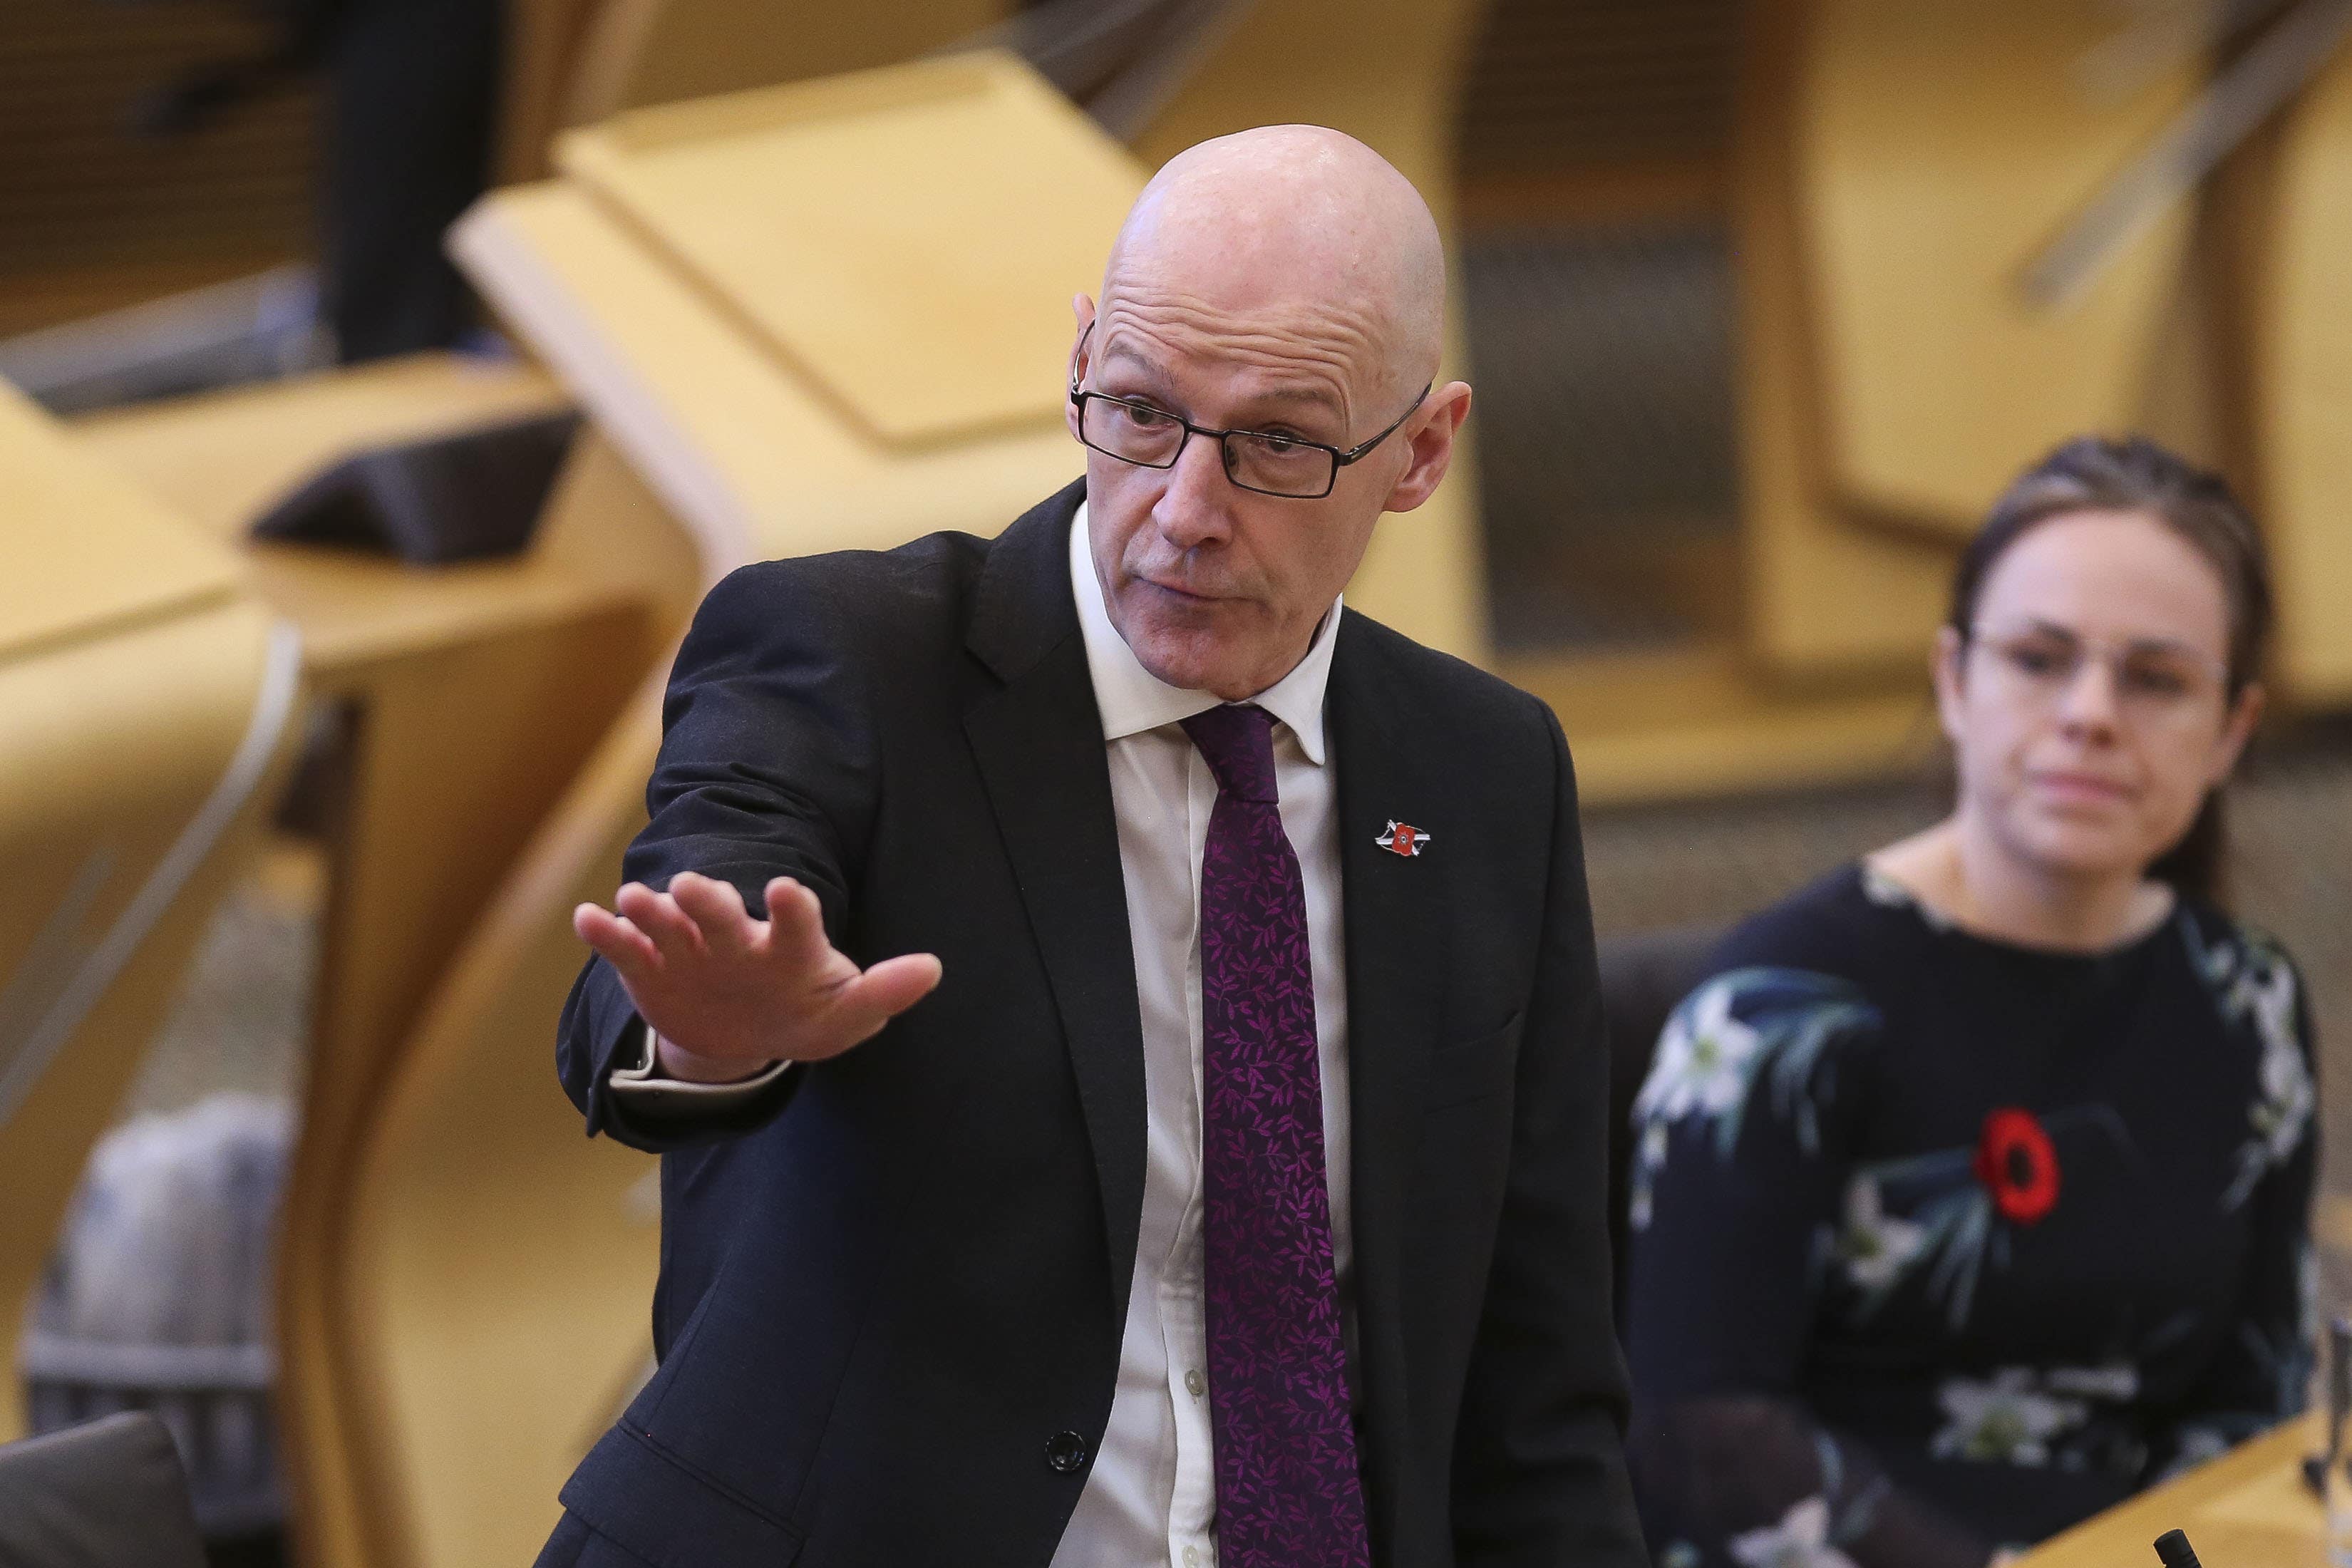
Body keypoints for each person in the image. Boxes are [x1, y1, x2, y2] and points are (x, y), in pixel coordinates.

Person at [542, 127, 1648, 1568]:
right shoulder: (850, 662)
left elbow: (1536, 1372)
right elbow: (701, 905)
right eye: (1138, 410)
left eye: (1279, 444)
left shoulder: (1485, 771)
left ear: (1421, 452)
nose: (1185, 511)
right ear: (1081, 357)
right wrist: (713, 1037)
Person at [1621, 436, 2315, 1568]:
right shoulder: (1780, 1013)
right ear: (1954, 681)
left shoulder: (2248, 1003)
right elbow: (1703, 1440)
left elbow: (2255, 1404)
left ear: (2233, 731)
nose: (2091, 713)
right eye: (2041, 659)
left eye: (2156, 678)